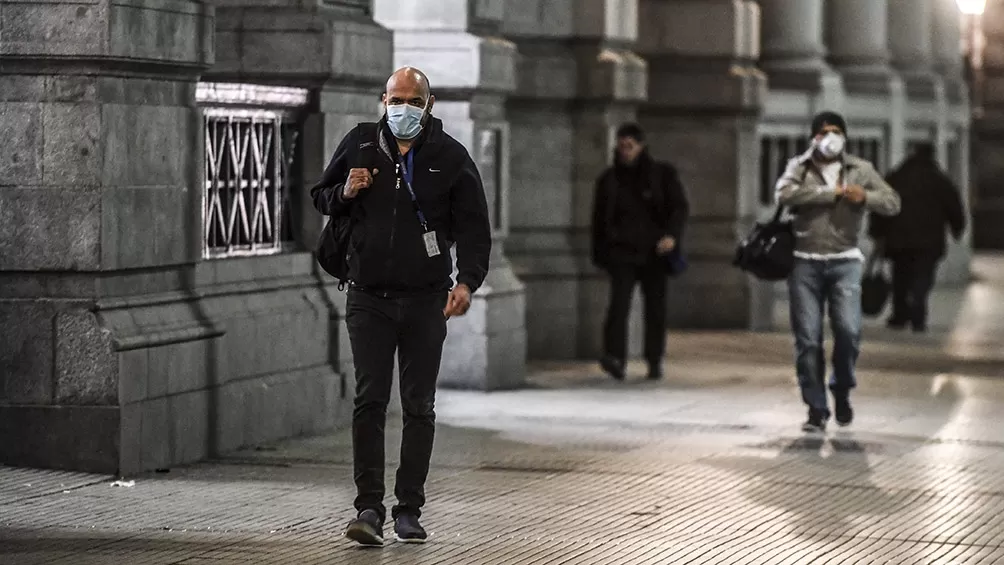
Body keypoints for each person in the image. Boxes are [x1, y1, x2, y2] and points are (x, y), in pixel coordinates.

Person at [310, 67, 492, 546]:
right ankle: (368, 507)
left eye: (413, 100)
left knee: (418, 405)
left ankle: (408, 507)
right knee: (369, 400)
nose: (403, 109)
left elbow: (474, 227)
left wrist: (468, 282)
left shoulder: (450, 157)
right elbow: (321, 198)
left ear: (428, 106)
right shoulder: (361, 143)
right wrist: (346, 190)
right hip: (368, 297)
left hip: (426, 300)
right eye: (396, 99)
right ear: (382, 99)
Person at [775, 111, 901, 433]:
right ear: (814, 136)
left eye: (836, 132)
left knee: (848, 331)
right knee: (808, 340)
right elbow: (784, 193)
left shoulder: (860, 169)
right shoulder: (799, 166)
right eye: (824, 132)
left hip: (845, 261)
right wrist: (829, 194)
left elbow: (892, 202)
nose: (830, 137)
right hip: (805, 262)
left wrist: (865, 196)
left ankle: (841, 388)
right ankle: (816, 407)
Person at [592, 123, 689, 381]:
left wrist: (671, 236)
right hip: (622, 253)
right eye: (621, 146)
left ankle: (654, 359)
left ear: (641, 146)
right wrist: (600, 253)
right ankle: (615, 357)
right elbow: (599, 220)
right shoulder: (610, 180)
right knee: (619, 306)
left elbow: (678, 208)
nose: (625, 152)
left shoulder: (661, 175)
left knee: (655, 309)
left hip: (654, 253)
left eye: (630, 147)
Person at [869, 143, 966, 333]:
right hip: (929, 241)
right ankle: (918, 311)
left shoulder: (896, 177)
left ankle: (899, 315)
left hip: (898, 240)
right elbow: (954, 206)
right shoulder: (939, 180)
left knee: (900, 277)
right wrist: (958, 229)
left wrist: (877, 232)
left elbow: (880, 205)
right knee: (922, 276)